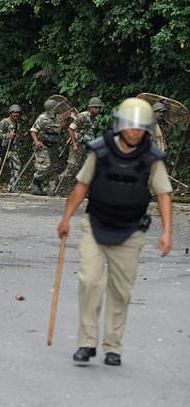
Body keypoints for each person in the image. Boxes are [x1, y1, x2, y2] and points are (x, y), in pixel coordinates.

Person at [57, 98, 173, 367]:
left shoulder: (151, 158)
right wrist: (66, 219)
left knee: (121, 290)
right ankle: (86, 343)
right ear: (121, 126)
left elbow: (164, 194)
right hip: (96, 224)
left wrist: (167, 232)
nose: (135, 131)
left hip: (131, 230)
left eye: (141, 127)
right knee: (90, 281)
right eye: (130, 126)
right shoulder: (100, 151)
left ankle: (113, 346)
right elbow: (81, 186)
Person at [54, 97, 103, 194]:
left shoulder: (96, 119)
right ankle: (56, 182)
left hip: (88, 146)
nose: (98, 110)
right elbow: (71, 129)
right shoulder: (82, 116)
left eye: (99, 108)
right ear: (91, 108)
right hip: (78, 145)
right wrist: (74, 143)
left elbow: (91, 132)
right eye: (96, 107)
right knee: (72, 167)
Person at [29, 98, 62, 195]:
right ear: (52, 108)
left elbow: (58, 129)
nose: (58, 108)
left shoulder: (57, 118)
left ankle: (44, 188)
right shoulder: (42, 118)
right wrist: (36, 142)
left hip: (53, 146)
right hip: (42, 145)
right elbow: (33, 130)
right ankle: (35, 183)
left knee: (52, 167)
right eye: (56, 107)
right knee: (44, 166)